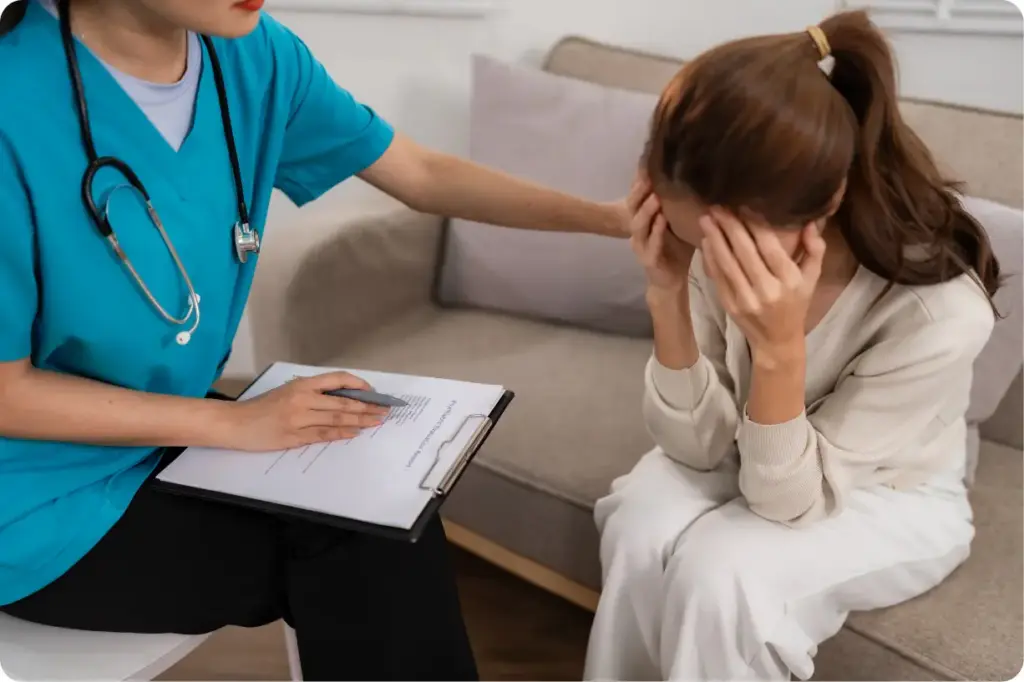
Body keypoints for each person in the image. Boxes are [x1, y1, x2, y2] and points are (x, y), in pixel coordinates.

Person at [0, 1, 630, 679]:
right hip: (31, 502)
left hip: (150, 435)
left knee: (383, 509)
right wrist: (229, 422)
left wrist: (612, 221)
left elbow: (420, 174)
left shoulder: (251, 55)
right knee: (366, 548)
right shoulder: (14, 103)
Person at [585, 10, 1001, 681]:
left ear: (828, 199)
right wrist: (666, 292)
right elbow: (694, 446)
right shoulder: (705, 243)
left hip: (888, 490)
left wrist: (778, 351)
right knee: (640, 525)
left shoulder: (939, 312)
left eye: (732, 244)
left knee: (724, 575)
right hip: (760, 455)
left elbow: (789, 502)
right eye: (697, 239)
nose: (712, 260)